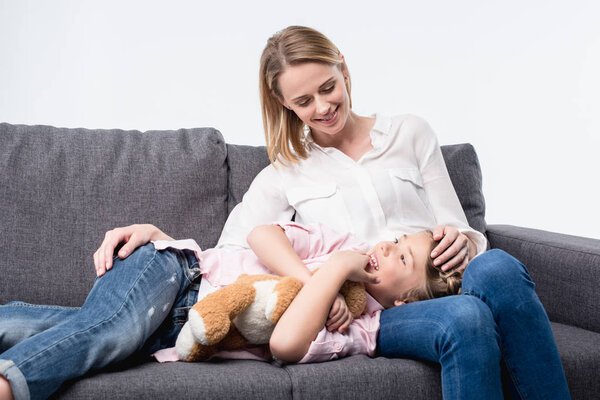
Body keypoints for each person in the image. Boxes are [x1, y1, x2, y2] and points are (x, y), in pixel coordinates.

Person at [1, 25, 570, 400]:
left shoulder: (412, 133)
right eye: (304, 101)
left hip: (437, 277)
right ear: (283, 104)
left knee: (492, 268)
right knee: (467, 321)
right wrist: (161, 238)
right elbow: (231, 253)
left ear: (343, 67)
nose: (323, 107)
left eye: (329, 87)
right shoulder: (285, 172)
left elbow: (465, 229)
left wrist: (460, 242)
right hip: (372, 306)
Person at [0, 221, 457, 400]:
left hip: (170, 334)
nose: (386, 247)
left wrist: (335, 275)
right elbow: (263, 235)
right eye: (397, 240)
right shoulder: (343, 243)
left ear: (407, 301)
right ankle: (10, 385)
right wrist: (317, 273)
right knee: (108, 332)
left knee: (78, 331)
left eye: (403, 258)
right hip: (178, 273)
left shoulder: (365, 329)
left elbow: (285, 342)